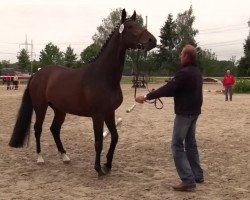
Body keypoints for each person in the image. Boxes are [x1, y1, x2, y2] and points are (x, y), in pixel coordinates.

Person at [135, 44, 204, 191]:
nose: (180, 57)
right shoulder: (196, 72)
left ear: (186, 56)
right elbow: (176, 89)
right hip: (194, 112)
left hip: (185, 113)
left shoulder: (184, 73)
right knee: (191, 144)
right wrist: (157, 92)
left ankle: (187, 180)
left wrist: (147, 96)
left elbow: (170, 88)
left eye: (181, 54)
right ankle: (197, 175)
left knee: (177, 145)